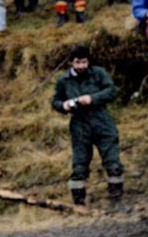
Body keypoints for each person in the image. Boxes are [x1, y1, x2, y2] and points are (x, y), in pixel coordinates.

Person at [52, 45, 124, 209]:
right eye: (78, 62)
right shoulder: (63, 80)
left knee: (113, 163)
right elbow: (55, 101)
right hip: (79, 125)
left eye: (84, 62)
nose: (81, 66)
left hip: (102, 121)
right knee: (79, 166)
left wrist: (92, 98)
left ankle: (117, 202)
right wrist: (64, 106)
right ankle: (79, 205)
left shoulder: (98, 73)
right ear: (71, 62)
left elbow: (111, 91)